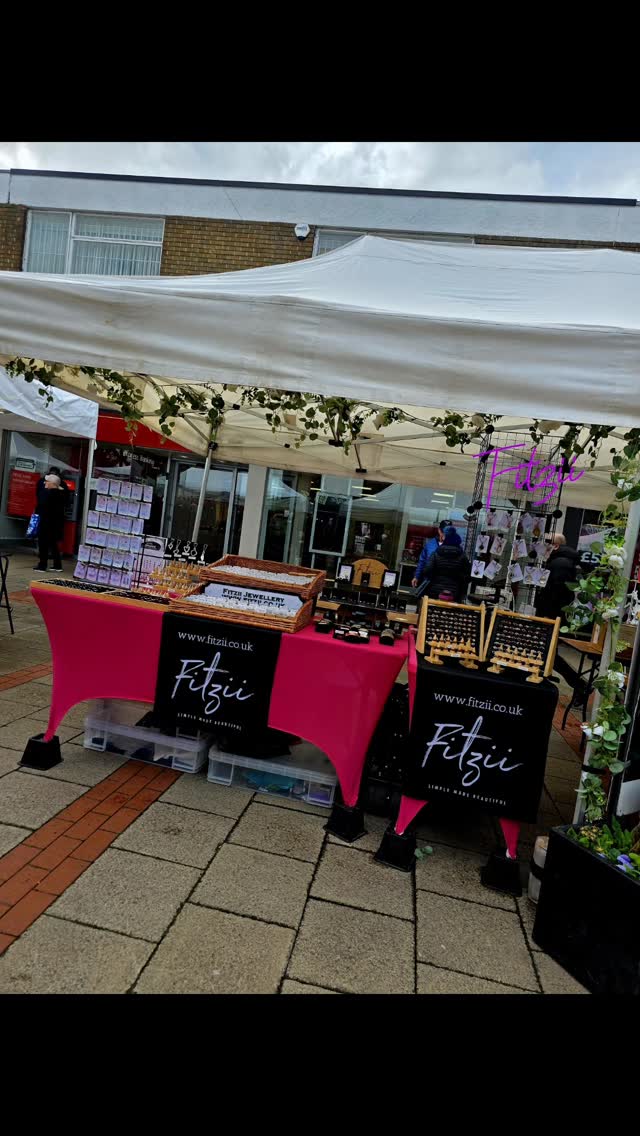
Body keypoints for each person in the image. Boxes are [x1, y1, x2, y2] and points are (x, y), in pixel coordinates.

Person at [535, 532, 581, 619]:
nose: (543, 547)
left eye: (546, 543)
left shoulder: (560, 563)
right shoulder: (560, 561)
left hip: (552, 613)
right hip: (555, 612)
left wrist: (547, 614)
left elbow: (557, 591)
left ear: (555, 546)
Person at [421, 525, 471, 602]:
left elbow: (426, 570)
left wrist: (434, 576)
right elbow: (468, 576)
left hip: (435, 591)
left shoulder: (436, 553)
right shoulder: (462, 556)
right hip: (454, 593)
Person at [34, 474, 65, 572]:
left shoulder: (47, 494)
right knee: (53, 543)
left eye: (47, 481)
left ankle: (42, 565)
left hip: (46, 522)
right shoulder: (61, 494)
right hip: (55, 523)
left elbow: (41, 506)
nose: (44, 483)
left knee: (43, 544)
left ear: (53, 484)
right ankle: (57, 565)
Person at [411, 525, 440, 589]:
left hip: (444, 584)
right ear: (439, 530)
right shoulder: (430, 544)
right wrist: (416, 576)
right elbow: (422, 561)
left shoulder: (454, 547)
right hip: (428, 581)